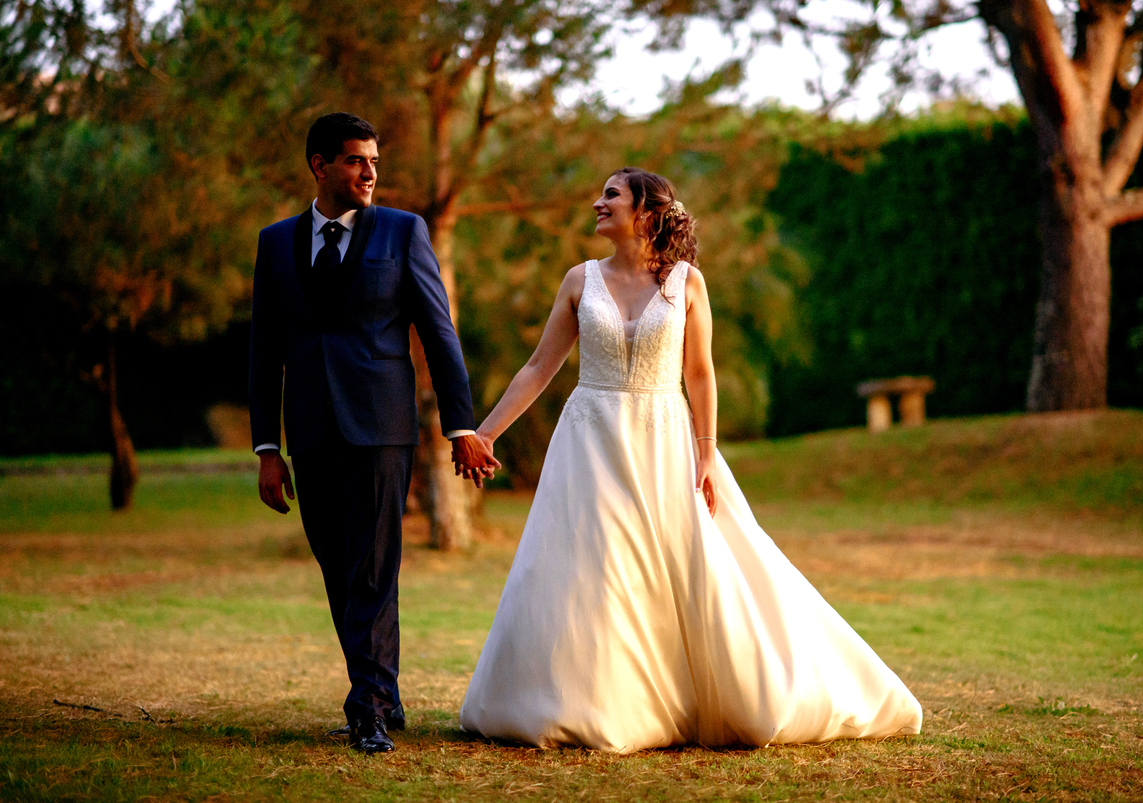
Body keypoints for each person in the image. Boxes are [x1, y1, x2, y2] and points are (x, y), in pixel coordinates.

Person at [456, 167, 923, 752]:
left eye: (611, 195)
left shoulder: (687, 283)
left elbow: (700, 374)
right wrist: (485, 433)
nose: (597, 203)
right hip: (590, 440)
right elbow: (537, 368)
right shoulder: (579, 280)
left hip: (665, 440)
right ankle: (596, 706)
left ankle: (697, 696)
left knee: (686, 566)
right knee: (600, 566)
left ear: (647, 212)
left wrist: (706, 453)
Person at [249, 112, 499, 755]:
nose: (369, 174)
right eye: (357, 161)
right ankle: (383, 691)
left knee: (374, 568)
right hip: (310, 430)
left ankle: (367, 709)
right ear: (320, 165)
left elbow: (438, 331)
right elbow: (264, 351)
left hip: (382, 428)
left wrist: (461, 425)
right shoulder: (275, 244)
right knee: (339, 567)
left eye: (375, 162)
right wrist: (268, 448)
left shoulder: (402, 231)